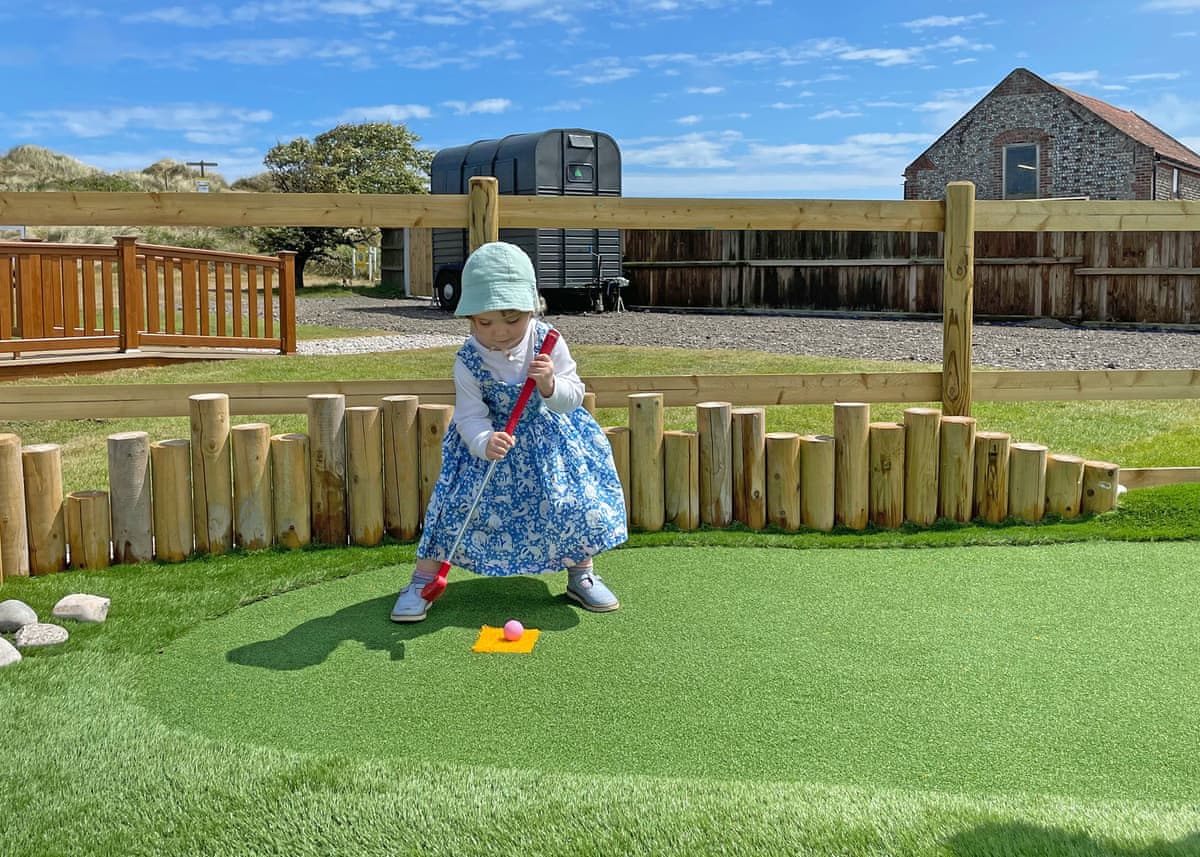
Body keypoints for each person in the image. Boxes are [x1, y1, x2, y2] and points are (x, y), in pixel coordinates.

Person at [390, 241, 628, 623]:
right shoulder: (469, 359)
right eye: (484, 323)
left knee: (570, 504)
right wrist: (484, 441)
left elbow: (572, 397)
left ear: (532, 309)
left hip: (549, 445)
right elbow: (469, 415)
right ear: (470, 317)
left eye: (512, 320)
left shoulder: (548, 342)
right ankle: (423, 580)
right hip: (490, 448)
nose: (499, 332)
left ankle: (581, 574)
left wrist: (550, 384)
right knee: (453, 508)